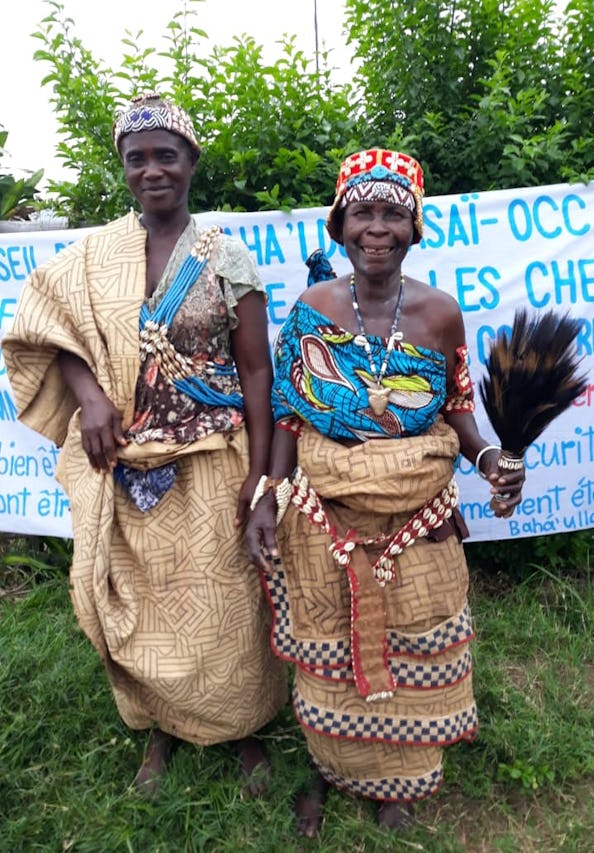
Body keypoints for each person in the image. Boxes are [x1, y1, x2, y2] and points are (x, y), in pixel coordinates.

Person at [3, 93, 287, 794]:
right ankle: (162, 727)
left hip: (214, 460)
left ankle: (243, 728)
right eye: (138, 159)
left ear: (191, 162)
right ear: (124, 170)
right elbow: (49, 324)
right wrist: (91, 396)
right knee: (145, 603)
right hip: (128, 466)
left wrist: (261, 481)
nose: (152, 170)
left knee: (227, 603)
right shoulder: (95, 255)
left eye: (167, 155)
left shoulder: (227, 257)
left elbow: (257, 369)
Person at [244, 148, 525, 835]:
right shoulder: (311, 310)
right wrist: (266, 493)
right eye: (362, 212)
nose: (377, 227)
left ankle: (394, 779)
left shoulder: (440, 314)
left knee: (411, 648)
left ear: (414, 226)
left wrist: (489, 457)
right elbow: (287, 410)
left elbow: (457, 409)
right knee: (328, 650)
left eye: (393, 213)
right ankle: (326, 765)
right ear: (339, 225)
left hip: (415, 520)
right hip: (324, 517)